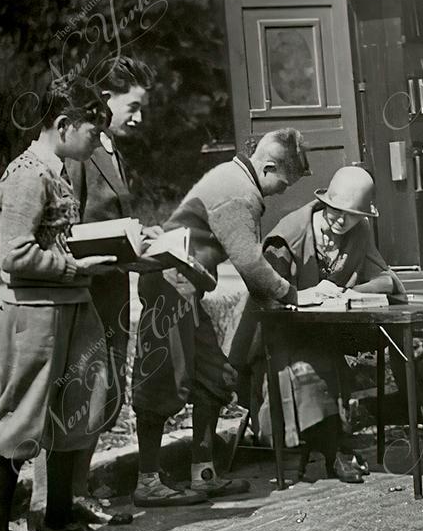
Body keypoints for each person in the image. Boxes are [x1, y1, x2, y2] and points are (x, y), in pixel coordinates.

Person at [0, 78, 125, 531]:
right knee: (20, 420)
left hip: (72, 307)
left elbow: (56, 239)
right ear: (62, 125)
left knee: (77, 409)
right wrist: (79, 269)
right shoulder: (27, 175)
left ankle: (60, 521)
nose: (96, 142)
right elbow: (12, 254)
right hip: (35, 314)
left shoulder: (58, 169)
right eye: (92, 130)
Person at [130, 128, 316, 507]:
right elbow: (250, 262)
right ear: (267, 167)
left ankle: (204, 475)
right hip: (171, 287)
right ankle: (147, 482)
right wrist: (294, 295)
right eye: (285, 180)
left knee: (215, 377)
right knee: (162, 383)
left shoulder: (236, 177)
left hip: (184, 288)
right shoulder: (241, 192)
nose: (285, 190)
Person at [29, 56, 157, 529]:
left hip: (110, 291)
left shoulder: (107, 147)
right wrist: (121, 246)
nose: (140, 117)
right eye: (134, 105)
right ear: (105, 100)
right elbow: (70, 227)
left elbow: (109, 218)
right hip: (85, 292)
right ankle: (49, 502)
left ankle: (75, 494)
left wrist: (141, 236)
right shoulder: (80, 153)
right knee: (73, 394)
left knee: (100, 396)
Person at [232, 166, 403, 483]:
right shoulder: (288, 236)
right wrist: (306, 294)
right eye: (336, 211)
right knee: (310, 371)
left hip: (321, 331)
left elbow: (387, 282)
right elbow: (265, 297)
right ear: (326, 202)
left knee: (330, 358)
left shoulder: (359, 233)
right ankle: (335, 451)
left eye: (351, 215)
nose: (341, 220)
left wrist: (349, 291)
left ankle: (335, 449)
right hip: (274, 336)